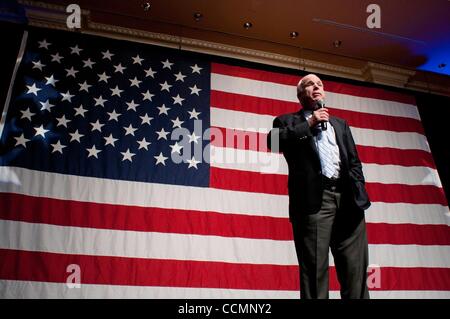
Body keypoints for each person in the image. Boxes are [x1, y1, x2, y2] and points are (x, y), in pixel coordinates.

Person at [267, 74, 371, 299]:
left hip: (348, 202)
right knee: (315, 273)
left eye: (320, 84)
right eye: (309, 85)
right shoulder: (286, 121)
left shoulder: (340, 124)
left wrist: (358, 190)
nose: (316, 87)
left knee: (355, 272)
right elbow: (272, 143)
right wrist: (310, 123)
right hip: (313, 203)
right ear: (300, 95)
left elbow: (353, 162)